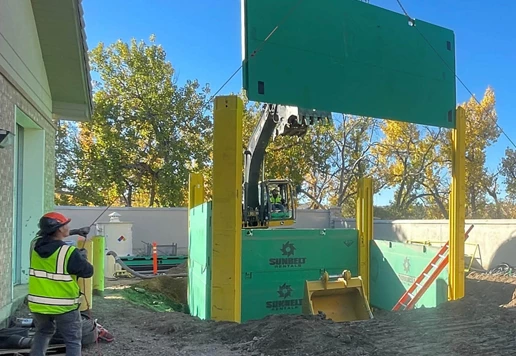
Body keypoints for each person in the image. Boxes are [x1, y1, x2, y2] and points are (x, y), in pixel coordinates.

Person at [28, 212, 93, 356]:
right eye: (66, 225)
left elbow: (46, 236)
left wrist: (76, 232)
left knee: (42, 333)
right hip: (64, 306)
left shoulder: (34, 245)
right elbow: (88, 272)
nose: (68, 226)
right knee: (73, 339)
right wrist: (83, 258)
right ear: (59, 229)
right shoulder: (68, 252)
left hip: (38, 304)